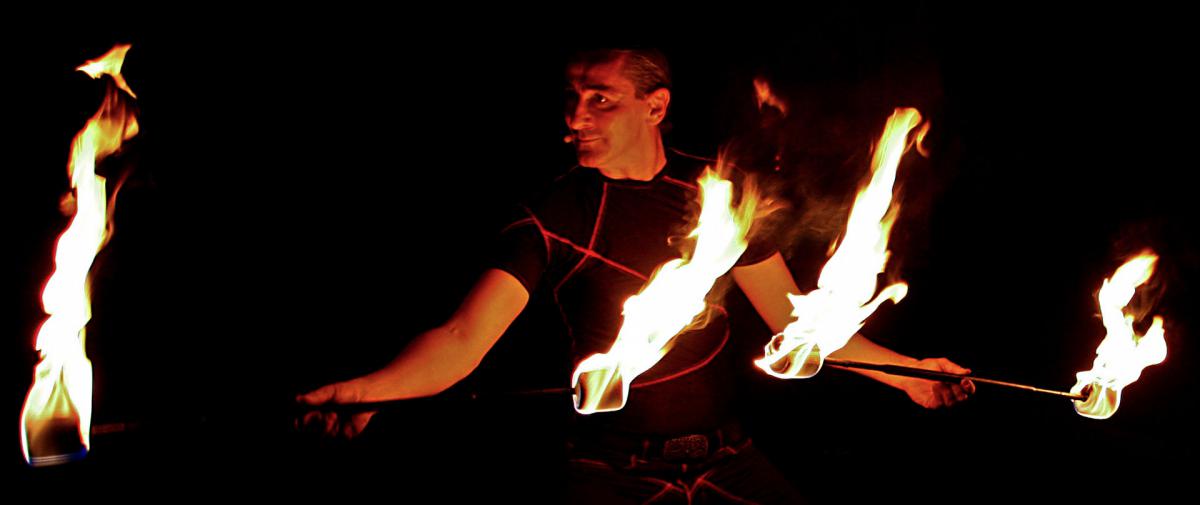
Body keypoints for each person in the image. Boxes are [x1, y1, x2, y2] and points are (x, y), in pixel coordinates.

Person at [297, 48, 974, 503]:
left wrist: (908, 374)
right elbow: (460, 337)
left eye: (601, 99)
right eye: (572, 99)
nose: (575, 118)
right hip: (608, 473)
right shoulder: (551, 217)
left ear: (655, 106)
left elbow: (798, 321)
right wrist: (372, 390)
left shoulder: (720, 197)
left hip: (728, 461)